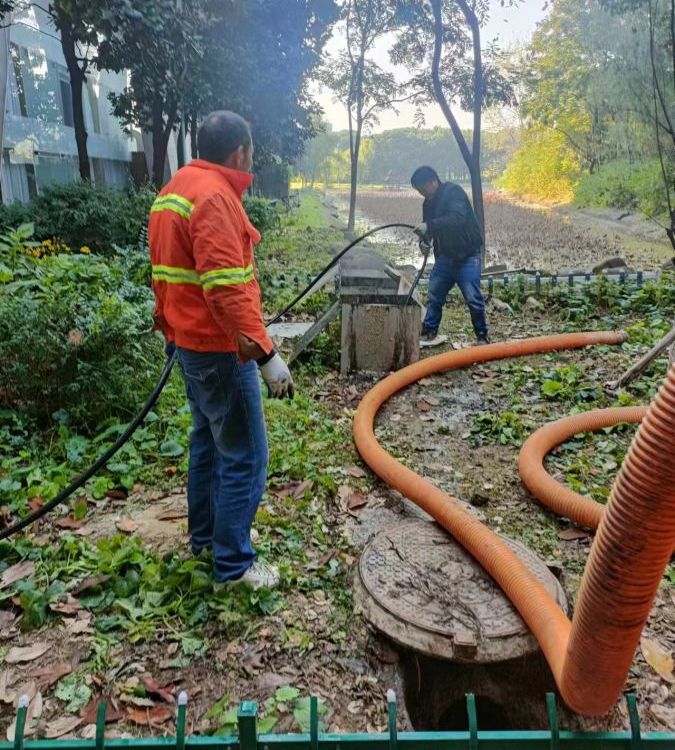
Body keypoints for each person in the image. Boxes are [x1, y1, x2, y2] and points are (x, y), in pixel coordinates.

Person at [148, 110, 294, 590]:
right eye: (251, 152)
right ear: (241, 153)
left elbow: (167, 278)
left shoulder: (173, 192)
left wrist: (171, 331)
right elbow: (226, 289)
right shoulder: (214, 198)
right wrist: (267, 355)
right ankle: (233, 566)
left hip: (190, 344)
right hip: (218, 350)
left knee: (208, 443)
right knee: (246, 455)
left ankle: (207, 539)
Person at [410, 166, 490, 345]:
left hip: (467, 255)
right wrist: (424, 242)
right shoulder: (428, 203)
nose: (421, 193)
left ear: (433, 181)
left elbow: (457, 218)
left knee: (472, 297)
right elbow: (428, 231)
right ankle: (429, 331)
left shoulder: (453, 192)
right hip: (445, 257)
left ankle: (482, 336)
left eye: (422, 188)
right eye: (418, 191)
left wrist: (429, 226)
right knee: (434, 294)